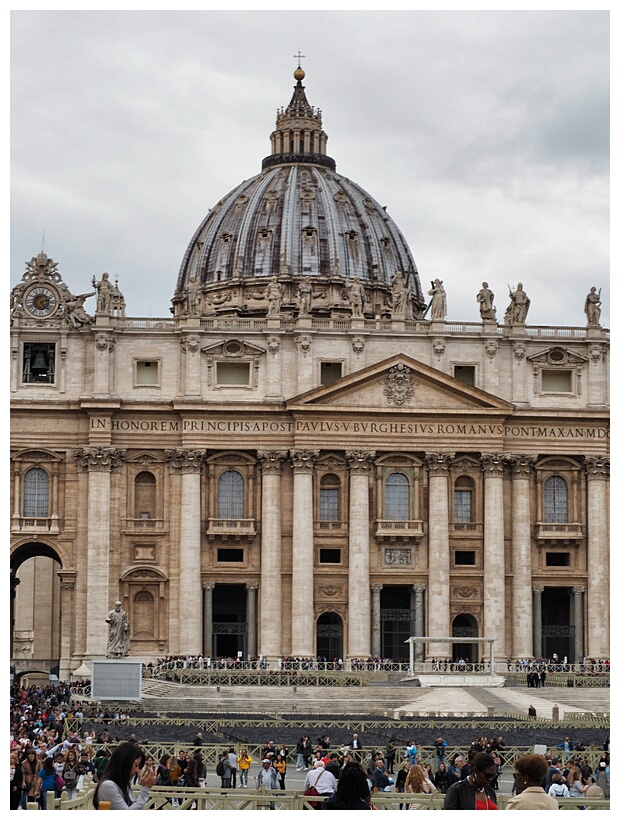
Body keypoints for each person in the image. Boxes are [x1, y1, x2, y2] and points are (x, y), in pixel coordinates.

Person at [93, 742, 157, 809]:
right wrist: (145, 789)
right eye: (136, 765)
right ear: (125, 763)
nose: (137, 770)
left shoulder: (125, 783)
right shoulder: (108, 786)